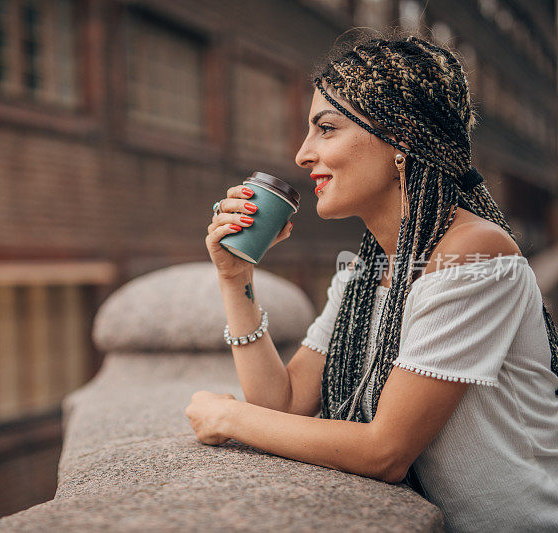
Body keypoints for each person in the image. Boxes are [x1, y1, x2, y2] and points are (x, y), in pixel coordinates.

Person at [185, 32, 558, 532]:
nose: (302, 154)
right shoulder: (367, 270)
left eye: (326, 129)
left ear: (400, 141)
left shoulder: (475, 257)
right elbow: (287, 401)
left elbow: (385, 451)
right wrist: (235, 279)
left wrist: (229, 419)